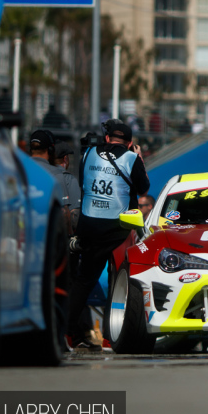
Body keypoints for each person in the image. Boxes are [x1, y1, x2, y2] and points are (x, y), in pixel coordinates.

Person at [65, 119, 150, 351]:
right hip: (118, 228)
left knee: (83, 280)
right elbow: (143, 188)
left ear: (106, 138)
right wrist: (138, 157)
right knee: (118, 283)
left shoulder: (89, 153)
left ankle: (67, 333)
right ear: (130, 143)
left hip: (89, 226)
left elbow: (85, 184)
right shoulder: (131, 158)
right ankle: (109, 338)